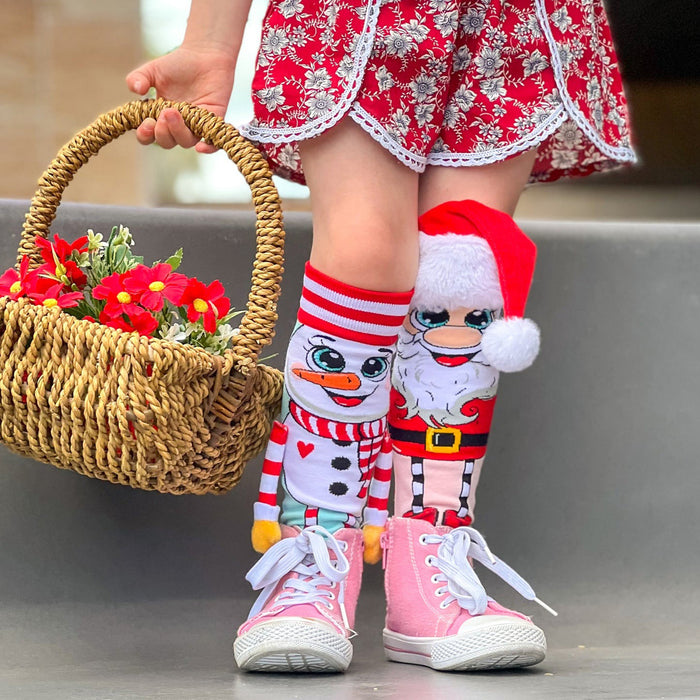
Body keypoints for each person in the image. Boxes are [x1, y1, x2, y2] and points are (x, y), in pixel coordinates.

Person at [127, 0, 635, 674]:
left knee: (466, 268)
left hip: (510, 17)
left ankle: (430, 565)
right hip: (356, 14)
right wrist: (211, 40)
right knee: (365, 250)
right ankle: (314, 556)